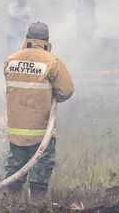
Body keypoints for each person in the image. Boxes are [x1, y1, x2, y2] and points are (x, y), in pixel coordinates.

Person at [4, 22, 74, 202]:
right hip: (41, 129)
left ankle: (10, 205)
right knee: (41, 167)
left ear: (27, 38)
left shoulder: (11, 60)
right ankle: (35, 207)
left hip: (16, 128)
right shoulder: (52, 62)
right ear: (47, 40)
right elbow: (66, 91)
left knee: (15, 166)